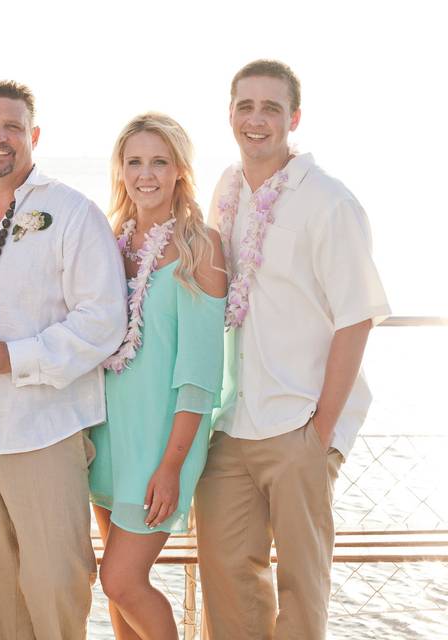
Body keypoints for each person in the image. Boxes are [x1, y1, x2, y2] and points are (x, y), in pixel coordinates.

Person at [194, 59, 391, 639]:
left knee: (302, 592)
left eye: (271, 108)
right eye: (245, 107)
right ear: (230, 114)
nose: (256, 120)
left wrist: (319, 432)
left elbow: (357, 318)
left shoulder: (329, 202)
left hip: (299, 424)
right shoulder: (225, 189)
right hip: (229, 426)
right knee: (226, 583)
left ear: (293, 118)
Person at [0, 80, 128, 640]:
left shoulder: (72, 213)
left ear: (34, 136)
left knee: (57, 590)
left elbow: (103, 321)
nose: (0, 138)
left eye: (13, 127)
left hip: (43, 434)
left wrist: (15, 357)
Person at [88, 113, 226, 639]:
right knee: (114, 587)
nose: (146, 173)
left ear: (179, 171)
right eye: (135, 161)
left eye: (159, 161)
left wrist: (171, 466)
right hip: (107, 436)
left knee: (122, 580)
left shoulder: (201, 248)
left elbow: (199, 375)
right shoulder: (110, 243)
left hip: (162, 441)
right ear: (120, 170)